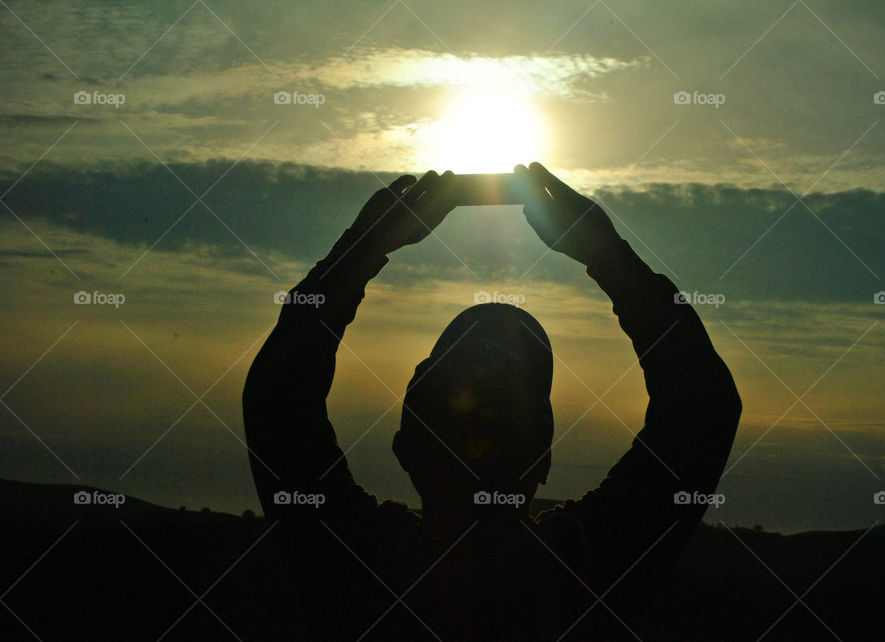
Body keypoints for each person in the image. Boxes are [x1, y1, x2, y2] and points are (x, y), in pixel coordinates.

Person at [242, 163, 741, 640]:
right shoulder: (588, 571)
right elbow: (702, 406)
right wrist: (606, 254)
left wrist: (362, 249)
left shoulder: (357, 567)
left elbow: (279, 399)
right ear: (544, 454)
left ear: (405, 445)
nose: (478, 422)